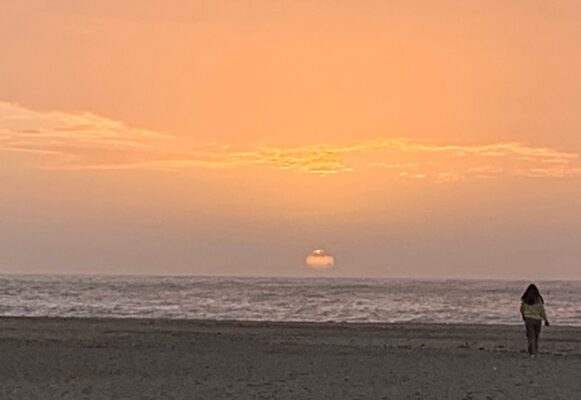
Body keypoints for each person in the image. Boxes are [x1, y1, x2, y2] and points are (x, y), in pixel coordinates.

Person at [520, 284, 549, 357]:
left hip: (528, 318)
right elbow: (541, 310)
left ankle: (532, 351)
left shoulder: (525, 299)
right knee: (536, 336)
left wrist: (523, 315)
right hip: (537, 319)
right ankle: (534, 350)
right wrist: (545, 319)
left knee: (530, 336)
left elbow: (522, 309)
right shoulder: (538, 299)